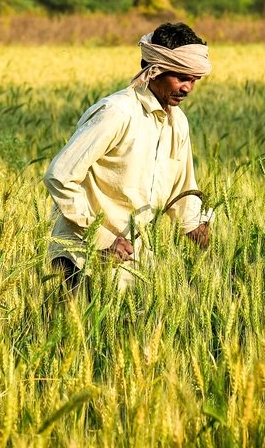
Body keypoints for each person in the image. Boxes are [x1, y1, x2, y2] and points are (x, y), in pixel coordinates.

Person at [43, 22, 212, 289]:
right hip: (80, 259)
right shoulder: (117, 112)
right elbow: (60, 176)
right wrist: (101, 238)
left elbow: (183, 192)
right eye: (181, 78)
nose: (188, 88)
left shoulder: (177, 122)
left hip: (133, 263)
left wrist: (214, 252)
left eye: (194, 80)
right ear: (155, 70)